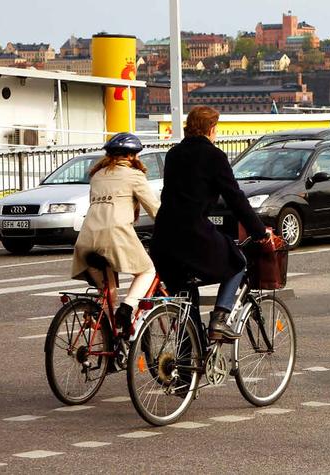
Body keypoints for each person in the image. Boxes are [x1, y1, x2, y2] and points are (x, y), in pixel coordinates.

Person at [150, 106, 269, 342]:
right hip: (192, 234)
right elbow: (235, 197)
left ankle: (186, 372)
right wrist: (259, 231)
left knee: (186, 306)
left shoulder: (173, 155)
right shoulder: (214, 156)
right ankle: (220, 319)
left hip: (163, 237)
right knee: (237, 262)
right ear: (212, 129)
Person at [71, 133, 161, 338]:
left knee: (108, 292)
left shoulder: (97, 175)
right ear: (131, 156)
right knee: (147, 271)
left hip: (85, 239)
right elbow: (156, 211)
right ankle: (127, 308)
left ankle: (109, 341)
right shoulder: (134, 175)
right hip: (115, 236)